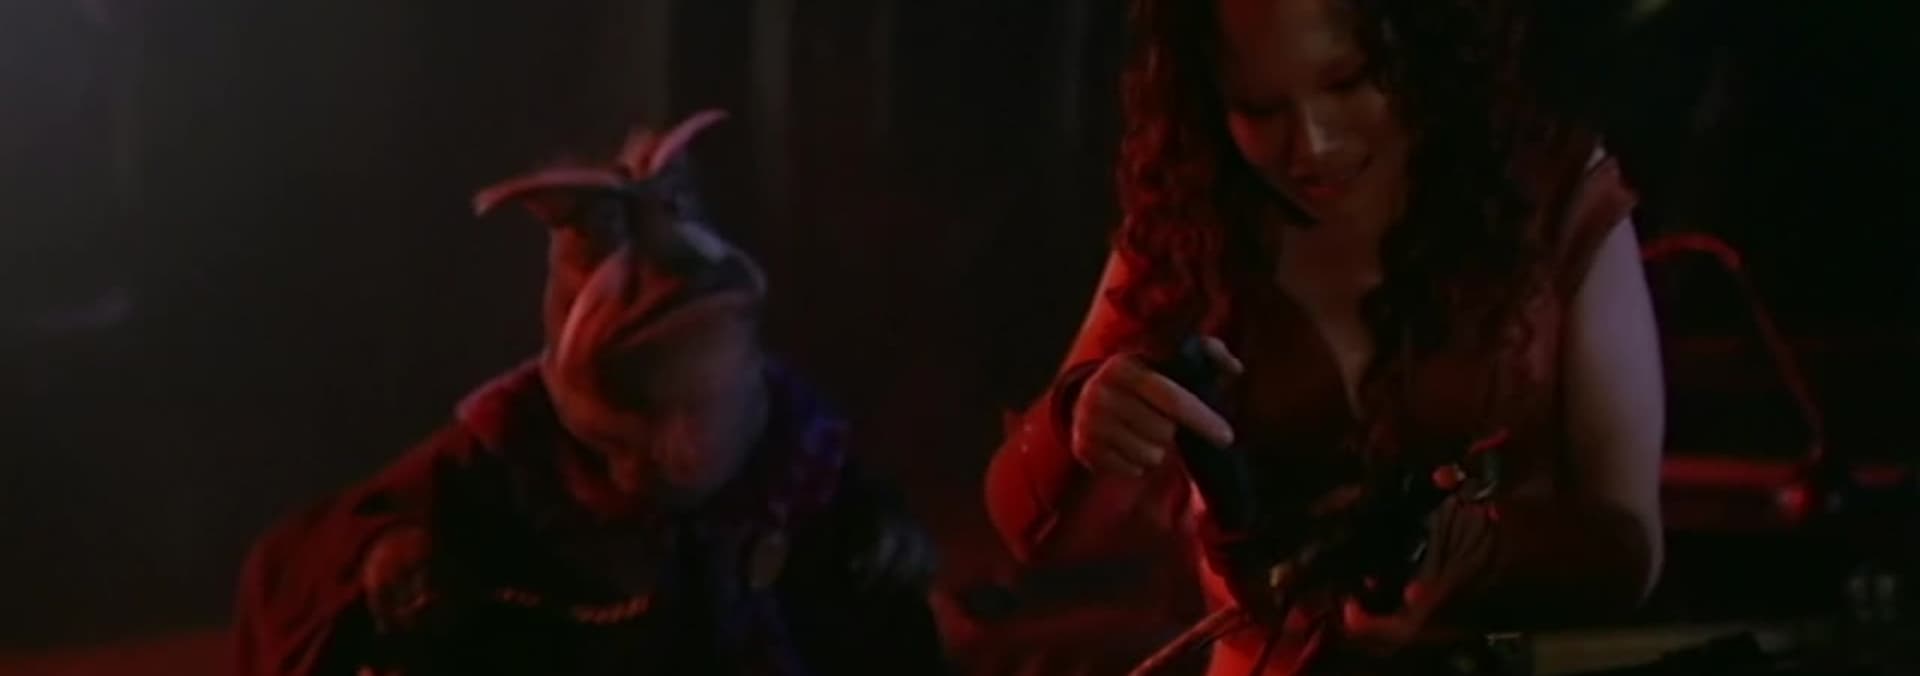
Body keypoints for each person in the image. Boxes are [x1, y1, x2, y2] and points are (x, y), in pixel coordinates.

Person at [983, 0, 1666, 673]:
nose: (1313, 146)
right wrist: (1079, 421)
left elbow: (1628, 553)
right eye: (1260, 109)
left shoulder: (1547, 196)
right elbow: (1027, 529)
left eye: (1347, 82)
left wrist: (1479, 552)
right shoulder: (1196, 219)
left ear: (1419, 44)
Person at [232, 111, 947, 676]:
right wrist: (388, 556)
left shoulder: (793, 444)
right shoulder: (514, 449)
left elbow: (866, 568)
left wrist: (882, 542)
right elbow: (301, 565)